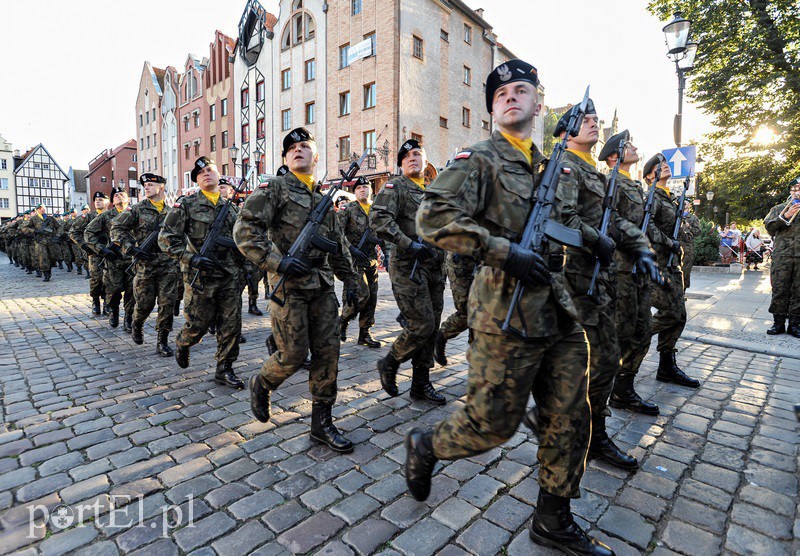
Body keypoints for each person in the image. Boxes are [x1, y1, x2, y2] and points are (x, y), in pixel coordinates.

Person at [408, 60, 612, 556]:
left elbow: (564, 219)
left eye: (523, 90)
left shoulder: (554, 166)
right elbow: (431, 218)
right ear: (493, 109)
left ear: (540, 104)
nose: (511, 97)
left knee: (570, 415)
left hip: (559, 311)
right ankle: (427, 444)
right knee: (491, 424)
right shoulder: (478, 160)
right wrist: (504, 251)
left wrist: (597, 240)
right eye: (501, 94)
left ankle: (553, 519)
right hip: (505, 311)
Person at [234, 128, 360, 452]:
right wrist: (277, 262)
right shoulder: (275, 189)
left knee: (328, 354)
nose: (298, 150)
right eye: (292, 148)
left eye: (305, 146)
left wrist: (355, 284)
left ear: (316, 157)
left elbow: (339, 247)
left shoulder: (323, 199)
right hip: (289, 287)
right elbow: (245, 229)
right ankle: (261, 383)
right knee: (292, 355)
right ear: (286, 159)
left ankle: (321, 423)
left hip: (322, 286)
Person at [546, 117, 658, 471]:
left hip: (601, 280)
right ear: (566, 133)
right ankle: (574, 441)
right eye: (586, 120)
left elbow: (612, 221)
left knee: (607, 361)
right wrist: (599, 240)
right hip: (576, 281)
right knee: (582, 367)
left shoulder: (594, 172)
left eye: (597, 120)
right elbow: (561, 218)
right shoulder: (564, 166)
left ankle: (595, 436)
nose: (594, 125)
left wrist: (641, 247)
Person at [371, 139, 447, 405]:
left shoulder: (433, 191)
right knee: (421, 323)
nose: (412, 158)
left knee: (432, 327)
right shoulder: (396, 187)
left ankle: (420, 384)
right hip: (408, 266)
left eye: (418, 154)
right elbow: (379, 219)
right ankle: (390, 362)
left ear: (426, 162)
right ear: (401, 164)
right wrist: (409, 244)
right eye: (407, 156)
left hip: (436, 267)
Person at [159, 156, 246, 388]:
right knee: (197, 324)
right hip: (201, 276)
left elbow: (240, 244)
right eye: (201, 173)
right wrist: (191, 258)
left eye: (210, 170)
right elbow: (166, 239)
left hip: (228, 275)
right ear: (197, 180)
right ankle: (183, 343)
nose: (206, 174)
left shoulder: (231, 209)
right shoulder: (186, 205)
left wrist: (245, 272)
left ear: (219, 176)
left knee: (231, 324)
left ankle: (224, 368)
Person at [643, 155, 700, 387]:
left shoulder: (671, 198)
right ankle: (632, 338)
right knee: (671, 312)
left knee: (680, 315)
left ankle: (667, 365)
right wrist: (668, 242)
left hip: (674, 262)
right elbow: (648, 225)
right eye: (659, 166)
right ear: (649, 176)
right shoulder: (651, 197)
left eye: (666, 164)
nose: (665, 166)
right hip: (658, 262)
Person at [111, 173, 178, 357]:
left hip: (168, 265)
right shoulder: (137, 209)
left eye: (150, 184)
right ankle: (137, 324)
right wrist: (130, 248)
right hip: (145, 264)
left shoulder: (172, 212)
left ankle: (162, 340)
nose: (146, 187)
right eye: (144, 185)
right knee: (144, 303)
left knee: (167, 303)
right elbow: (116, 228)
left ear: (161, 187)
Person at [339, 177, 382, 348]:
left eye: (365, 187)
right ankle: (343, 320)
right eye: (359, 188)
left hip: (371, 260)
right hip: (354, 260)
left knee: (372, 297)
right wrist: (351, 249)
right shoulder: (347, 209)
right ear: (354, 192)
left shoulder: (376, 210)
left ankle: (365, 333)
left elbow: (384, 231)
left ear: (370, 190)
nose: (362, 190)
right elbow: (338, 233)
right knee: (361, 294)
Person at [85, 188, 135, 331]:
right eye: (116, 196)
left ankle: (128, 318)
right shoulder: (106, 216)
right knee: (113, 291)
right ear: (112, 201)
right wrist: (102, 249)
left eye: (122, 194)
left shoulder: (135, 214)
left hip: (132, 260)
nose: (119, 197)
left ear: (128, 199)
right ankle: (114, 311)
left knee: (132, 292)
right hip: (113, 260)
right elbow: (88, 233)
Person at [764, 177, 800, 336]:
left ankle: (795, 324)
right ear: (791, 190)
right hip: (782, 256)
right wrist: (786, 216)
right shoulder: (779, 208)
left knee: (798, 291)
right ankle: (778, 323)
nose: (798, 191)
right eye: (795, 188)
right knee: (779, 288)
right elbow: (769, 228)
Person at [433, 252, 478, 366]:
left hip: (486, 262)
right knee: (467, 312)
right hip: (462, 264)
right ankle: (441, 336)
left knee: (481, 311)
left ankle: (476, 354)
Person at [26, 204, 57, 281]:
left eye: (43, 208)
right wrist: (34, 231)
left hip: (50, 241)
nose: (42, 209)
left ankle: (49, 271)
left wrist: (58, 236)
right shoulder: (34, 219)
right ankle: (45, 273)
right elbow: (25, 227)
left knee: (51, 257)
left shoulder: (50, 218)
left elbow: (59, 227)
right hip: (40, 241)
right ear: (37, 210)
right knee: (42, 258)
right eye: (40, 208)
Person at [680, 200, 701, 289]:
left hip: (687, 247)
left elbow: (698, 232)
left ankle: (683, 290)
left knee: (685, 269)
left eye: (686, 202)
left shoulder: (693, 218)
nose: (684, 204)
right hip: (676, 245)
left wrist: (689, 227)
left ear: (689, 205)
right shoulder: (676, 215)